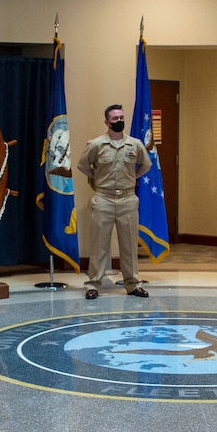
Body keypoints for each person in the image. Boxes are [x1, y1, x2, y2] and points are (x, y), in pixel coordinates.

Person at [76, 104, 152, 301]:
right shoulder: (96, 145)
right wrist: (98, 178)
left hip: (127, 198)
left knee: (129, 245)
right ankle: (93, 284)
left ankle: (133, 284)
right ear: (106, 122)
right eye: (115, 119)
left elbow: (146, 164)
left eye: (121, 118)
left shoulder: (134, 145)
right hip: (104, 198)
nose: (119, 121)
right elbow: (83, 165)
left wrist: (133, 176)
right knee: (99, 245)